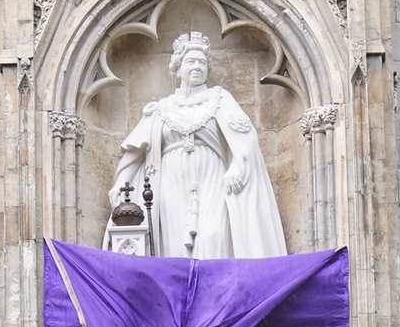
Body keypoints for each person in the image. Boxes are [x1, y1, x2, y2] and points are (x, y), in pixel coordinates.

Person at [107, 31, 287, 260]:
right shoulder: (161, 108)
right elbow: (134, 151)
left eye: (202, 62)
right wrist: (122, 183)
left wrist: (238, 166)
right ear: (178, 66)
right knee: (175, 248)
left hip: (213, 176)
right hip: (170, 183)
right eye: (191, 61)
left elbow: (245, 137)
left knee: (214, 236)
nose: (197, 66)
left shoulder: (220, 99)